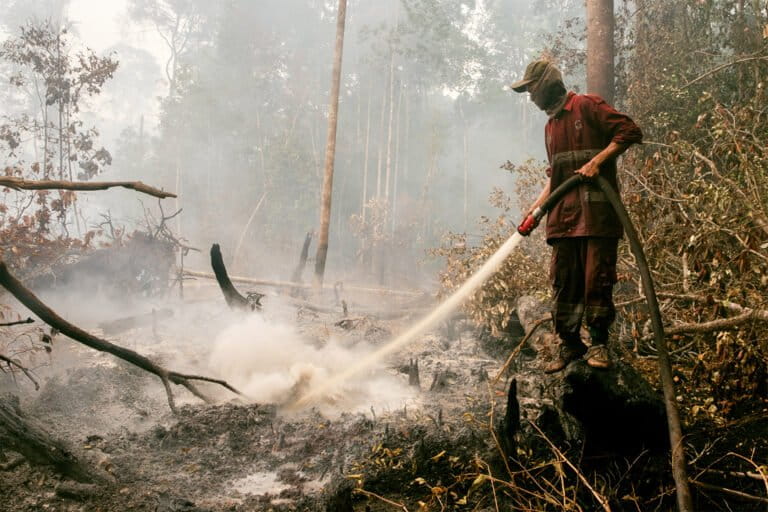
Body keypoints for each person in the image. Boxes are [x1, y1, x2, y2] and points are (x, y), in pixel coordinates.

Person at [510, 59, 643, 372]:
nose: (530, 97)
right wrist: (537, 207)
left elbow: (629, 131)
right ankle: (569, 346)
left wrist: (598, 161)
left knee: (597, 281)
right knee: (564, 284)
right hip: (563, 221)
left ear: (545, 84)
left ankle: (599, 343)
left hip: (597, 216)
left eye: (531, 89)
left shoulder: (586, 106)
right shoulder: (550, 126)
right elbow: (555, 176)